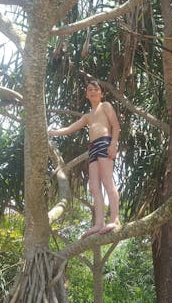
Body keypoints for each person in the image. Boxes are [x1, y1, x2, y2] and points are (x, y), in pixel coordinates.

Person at [49, 80, 121, 238]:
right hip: (93, 147)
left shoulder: (105, 106)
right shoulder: (87, 116)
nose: (93, 91)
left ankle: (115, 219)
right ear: (87, 94)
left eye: (96, 89)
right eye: (90, 89)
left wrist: (113, 144)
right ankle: (99, 223)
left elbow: (116, 125)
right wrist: (49, 132)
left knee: (108, 182)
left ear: (101, 93)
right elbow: (69, 129)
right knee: (94, 186)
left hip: (105, 142)